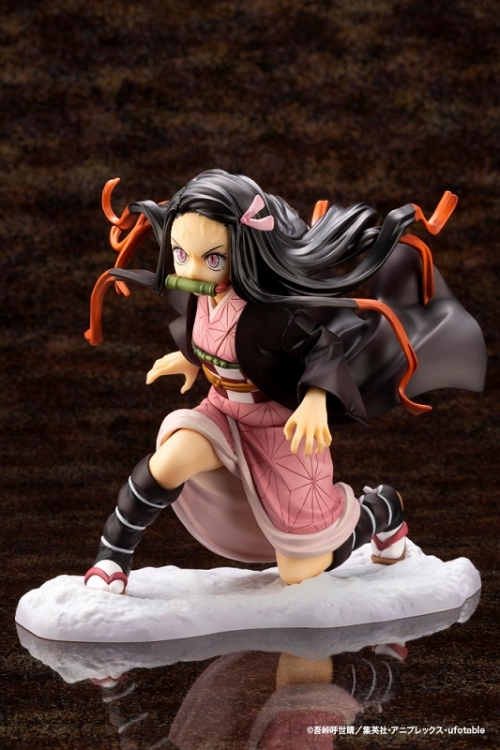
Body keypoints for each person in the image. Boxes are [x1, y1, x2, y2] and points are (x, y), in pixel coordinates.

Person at [83, 169, 486, 593]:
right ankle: (113, 555)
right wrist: (191, 361)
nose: (192, 269)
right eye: (181, 254)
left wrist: (314, 400)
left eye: (213, 259)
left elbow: (323, 348)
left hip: (281, 429)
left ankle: (380, 509)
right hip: (222, 412)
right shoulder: (200, 293)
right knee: (168, 462)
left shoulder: (270, 314)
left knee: (301, 570)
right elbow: (212, 337)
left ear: (243, 248)